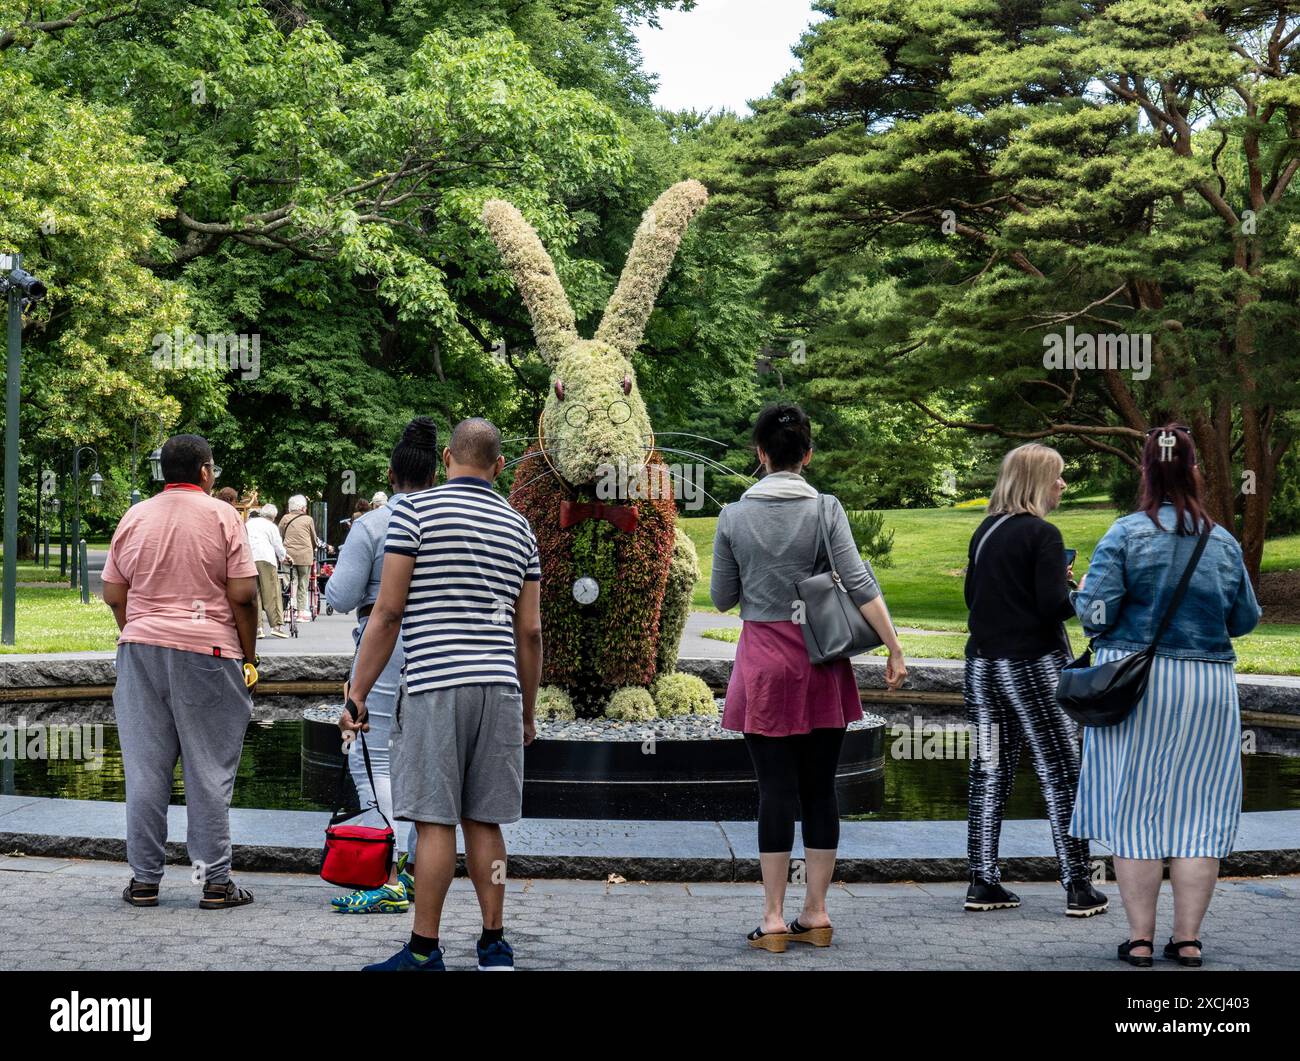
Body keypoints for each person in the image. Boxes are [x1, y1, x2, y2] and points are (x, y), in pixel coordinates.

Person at [711, 402, 907, 952]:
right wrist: (893, 647)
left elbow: (723, 598)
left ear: (760, 454)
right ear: (808, 455)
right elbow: (860, 582)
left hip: (764, 666)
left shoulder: (732, 517)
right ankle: (815, 913)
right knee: (821, 789)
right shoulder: (826, 510)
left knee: (774, 792)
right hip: (822, 663)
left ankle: (772, 919)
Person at [347, 418, 541, 972]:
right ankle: (495, 944)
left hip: (434, 686)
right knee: (487, 821)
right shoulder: (520, 527)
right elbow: (530, 632)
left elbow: (386, 613)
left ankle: (424, 951)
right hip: (500, 689)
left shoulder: (412, 512)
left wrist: (357, 694)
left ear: (448, 459)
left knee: (434, 823)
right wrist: (526, 710)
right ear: (498, 465)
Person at [1069, 425, 1260, 967]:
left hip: (1139, 684)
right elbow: (1243, 618)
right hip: (1206, 686)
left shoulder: (1126, 533)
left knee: (1136, 811)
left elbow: (1096, 614)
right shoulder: (1220, 539)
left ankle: (1140, 939)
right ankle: (1190, 939)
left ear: (1146, 471)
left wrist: (1082, 592)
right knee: (1199, 811)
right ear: (1194, 469)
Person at [100, 434, 259, 910]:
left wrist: (141, 629)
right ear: (206, 472)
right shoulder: (223, 516)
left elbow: (113, 593)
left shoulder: (135, 517)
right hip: (208, 651)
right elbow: (244, 594)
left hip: (139, 651)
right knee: (208, 771)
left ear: (163, 473)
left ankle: (145, 881)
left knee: (146, 771)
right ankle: (215, 883)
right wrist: (248, 656)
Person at [962, 443, 1108, 917]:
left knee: (988, 769)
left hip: (982, 668)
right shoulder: (1042, 533)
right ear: (1037, 482)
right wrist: (1078, 591)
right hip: (1031, 667)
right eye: (1058, 476)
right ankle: (1078, 885)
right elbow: (1052, 607)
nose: (1063, 484)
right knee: (1061, 770)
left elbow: (974, 596)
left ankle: (982, 881)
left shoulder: (986, 530)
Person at [323, 417, 440, 913]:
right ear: (436, 474)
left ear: (391, 476)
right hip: (438, 645)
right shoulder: (445, 519)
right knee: (429, 757)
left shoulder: (371, 526)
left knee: (374, 758)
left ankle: (385, 869)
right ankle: (417, 868)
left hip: (381, 645)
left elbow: (341, 596)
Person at [278, 495, 327, 622]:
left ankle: (289, 611)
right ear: (302, 508)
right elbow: (313, 537)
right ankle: (300, 613)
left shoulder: (285, 518)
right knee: (303, 583)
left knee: (290, 582)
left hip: (288, 555)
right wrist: (315, 547)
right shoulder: (308, 519)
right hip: (305, 555)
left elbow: (279, 536)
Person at [246, 504, 288, 638]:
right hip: (266, 559)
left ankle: (258, 628)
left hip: (249, 559)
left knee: (255, 594)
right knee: (272, 592)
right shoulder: (271, 526)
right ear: (274, 517)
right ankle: (276, 626)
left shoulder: (249, 524)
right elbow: (278, 546)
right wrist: (283, 557)